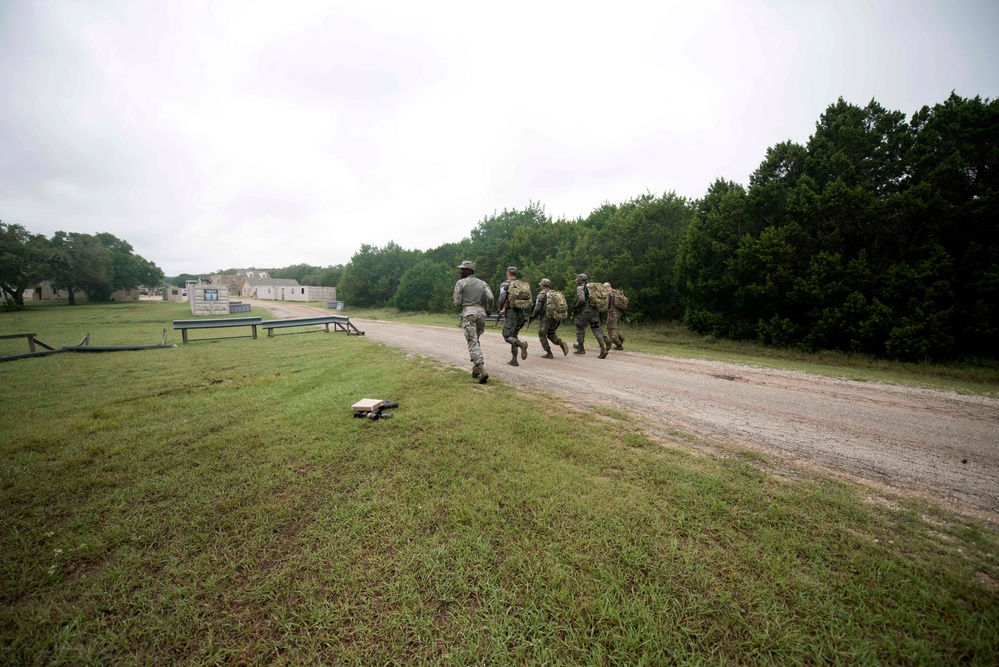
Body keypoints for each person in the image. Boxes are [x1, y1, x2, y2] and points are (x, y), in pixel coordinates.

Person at [453, 260, 494, 383]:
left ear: (469, 271)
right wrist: (489, 309)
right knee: (476, 340)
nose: (460, 271)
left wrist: (462, 302)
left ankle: (481, 369)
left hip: (469, 313)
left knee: (472, 342)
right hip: (481, 313)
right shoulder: (482, 283)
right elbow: (491, 297)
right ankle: (475, 369)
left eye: (462, 269)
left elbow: (456, 302)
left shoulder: (461, 283)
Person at [497, 266, 530, 366]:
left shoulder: (505, 284)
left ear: (508, 273)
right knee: (514, 336)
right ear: (515, 273)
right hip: (521, 313)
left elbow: (502, 297)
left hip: (511, 312)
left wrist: (500, 308)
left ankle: (521, 345)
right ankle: (514, 360)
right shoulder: (521, 284)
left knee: (507, 336)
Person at [573, 273, 610, 359]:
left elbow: (581, 299)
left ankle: (581, 347)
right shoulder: (592, 287)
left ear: (581, 280)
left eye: (578, 280)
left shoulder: (580, 288)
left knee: (579, 325)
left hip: (586, 310)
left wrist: (576, 306)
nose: (577, 281)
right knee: (596, 329)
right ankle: (603, 349)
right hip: (595, 310)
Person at [530, 278, 569, 358]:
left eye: (540, 284)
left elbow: (537, 308)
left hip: (546, 317)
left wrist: (533, 316)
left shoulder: (541, 294)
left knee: (542, 334)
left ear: (543, 285)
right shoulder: (553, 293)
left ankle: (549, 352)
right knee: (551, 334)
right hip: (555, 316)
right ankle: (560, 343)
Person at [603, 281, 626, 350]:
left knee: (610, 328)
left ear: (607, 287)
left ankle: (618, 344)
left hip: (612, 312)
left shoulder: (609, 294)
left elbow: (607, 304)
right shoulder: (617, 292)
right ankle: (620, 339)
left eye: (604, 288)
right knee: (613, 327)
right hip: (619, 312)